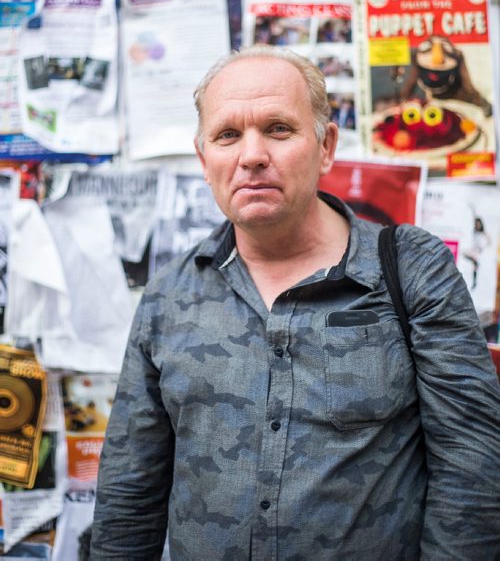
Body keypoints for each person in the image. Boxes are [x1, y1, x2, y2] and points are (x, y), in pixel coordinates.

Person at [90, 46, 500, 560]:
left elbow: (474, 468)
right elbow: (130, 494)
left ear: (326, 146)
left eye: (279, 129)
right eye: (227, 135)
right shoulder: (169, 296)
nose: (252, 155)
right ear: (204, 160)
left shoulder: (411, 270)